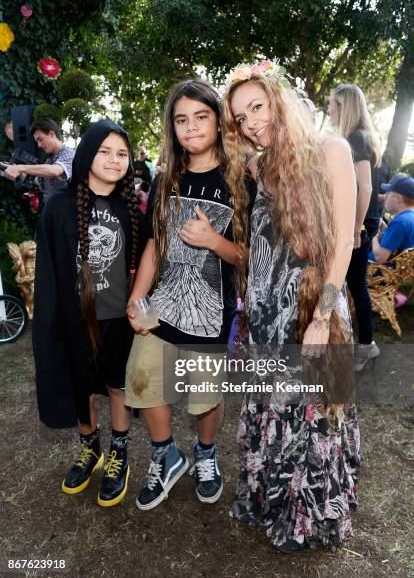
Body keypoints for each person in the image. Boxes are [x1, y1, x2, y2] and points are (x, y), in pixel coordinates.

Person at [222, 60, 359, 552]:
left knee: (312, 415)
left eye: (256, 106)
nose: (250, 121)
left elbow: (344, 243)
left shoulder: (332, 150)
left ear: (279, 98)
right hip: (265, 320)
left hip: (310, 313)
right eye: (240, 117)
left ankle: (311, 517)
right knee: (272, 412)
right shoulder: (256, 167)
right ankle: (270, 501)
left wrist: (322, 319)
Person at [124, 78, 251, 511]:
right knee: (143, 379)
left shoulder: (240, 180)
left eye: (201, 117)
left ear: (218, 120)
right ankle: (166, 454)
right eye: (181, 120)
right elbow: (156, 243)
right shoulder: (166, 178)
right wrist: (138, 296)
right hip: (162, 304)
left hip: (211, 312)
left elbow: (252, 256)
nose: (192, 127)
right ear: (172, 128)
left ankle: (206, 452)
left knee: (204, 395)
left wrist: (214, 241)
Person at [32, 119, 143, 507]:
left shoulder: (129, 208)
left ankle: (119, 452)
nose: (114, 160)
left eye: (122, 154)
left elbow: (145, 261)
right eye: (105, 151)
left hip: (118, 319)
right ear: (86, 154)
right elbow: (47, 270)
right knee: (80, 385)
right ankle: (90, 447)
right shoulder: (58, 206)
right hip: (75, 318)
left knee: (117, 385)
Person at [329, 84, 382, 371]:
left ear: (345, 106)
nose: (329, 110)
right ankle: (362, 344)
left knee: (353, 284)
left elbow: (366, 187)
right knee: (352, 283)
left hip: (358, 223)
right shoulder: (355, 137)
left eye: (332, 105)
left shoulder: (356, 138)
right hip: (357, 221)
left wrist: (355, 228)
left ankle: (364, 347)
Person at [3, 118, 74, 202]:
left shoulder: (69, 154)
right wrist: (14, 171)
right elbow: (38, 182)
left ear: (51, 134)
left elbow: (54, 171)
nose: (39, 145)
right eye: (37, 141)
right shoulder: (49, 160)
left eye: (40, 139)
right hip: (52, 212)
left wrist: (19, 168)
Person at [369, 173, 414, 263]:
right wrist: (385, 229)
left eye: (388, 193)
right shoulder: (409, 218)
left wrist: (374, 237)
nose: (384, 196)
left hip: (377, 273)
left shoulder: (400, 222)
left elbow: (380, 257)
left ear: (397, 198)